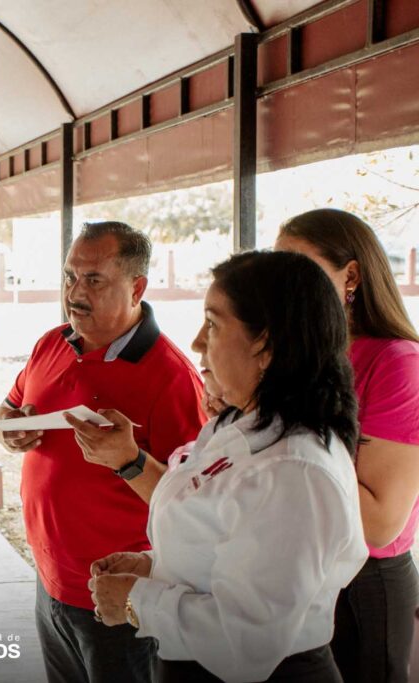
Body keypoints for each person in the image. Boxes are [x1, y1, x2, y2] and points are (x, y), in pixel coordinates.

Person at [85, 250, 368, 682]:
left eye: (213, 324)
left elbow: (250, 640)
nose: (198, 341)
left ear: (267, 346)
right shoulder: (240, 426)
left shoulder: (292, 471)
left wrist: (136, 601)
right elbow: (226, 543)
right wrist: (157, 566)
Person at [0, 221, 206, 683]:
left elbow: (196, 507)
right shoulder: (52, 342)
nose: (74, 291)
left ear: (137, 288)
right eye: (70, 276)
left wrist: (128, 460)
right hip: (49, 581)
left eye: (94, 280)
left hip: (117, 595)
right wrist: (9, 430)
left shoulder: (172, 378)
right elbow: (7, 410)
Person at [276, 208, 419, 683]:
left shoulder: (397, 361)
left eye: (298, 270)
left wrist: (286, 430)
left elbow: (378, 524)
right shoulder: (310, 356)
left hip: (364, 584)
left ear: (351, 275)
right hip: (303, 566)